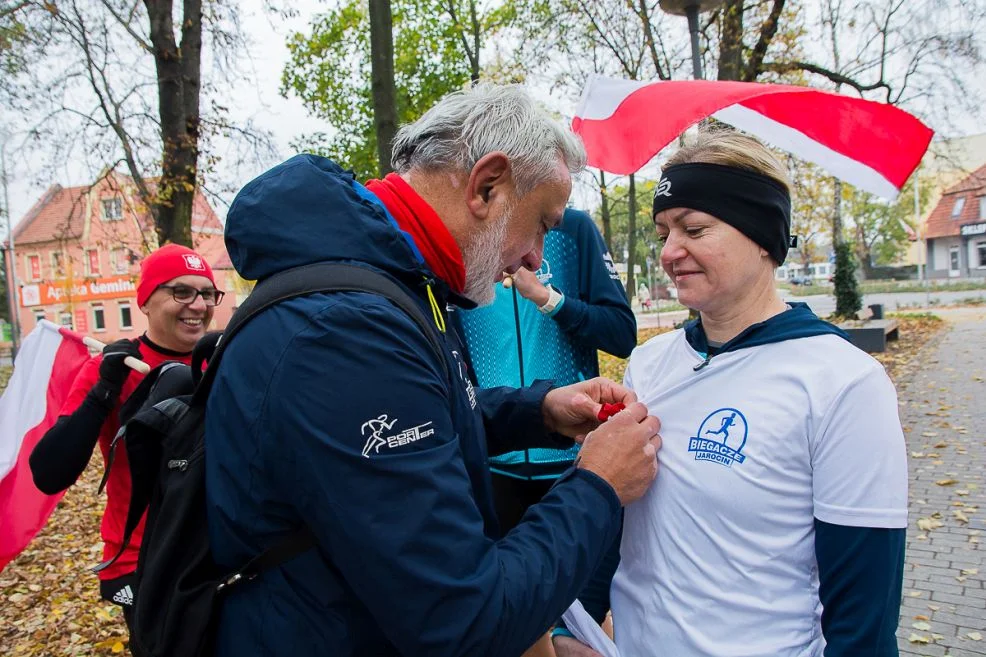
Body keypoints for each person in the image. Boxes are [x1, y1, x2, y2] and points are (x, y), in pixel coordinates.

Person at [204, 84, 663, 657]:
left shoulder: (401, 283)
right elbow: (462, 621)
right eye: (542, 224)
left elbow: (417, 424)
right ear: (487, 186)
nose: (535, 259)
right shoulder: (348, 329)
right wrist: (598, 485)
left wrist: (538, 412)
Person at [554, 130, 907, 657]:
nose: (671, 252)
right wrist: (572, 624)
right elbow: (618, 513)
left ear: (762, 234)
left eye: (695, 229)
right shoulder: (652, 362)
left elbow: (865, 617)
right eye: (664, 232)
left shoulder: (843, 383)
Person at [453, 207, 635, 655]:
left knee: (582, 628)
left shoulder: (571, 230)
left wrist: (548, 299)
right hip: (494, 464)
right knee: (509, 627)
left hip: (574, 461)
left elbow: (622, 333)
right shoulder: (466, 233)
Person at [30, 243, 222, 629]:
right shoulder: (110, 368)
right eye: (180, 291)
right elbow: (50, 472)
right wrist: (104, 391)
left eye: (206, 293)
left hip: (218, 549)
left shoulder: (223, 358)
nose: (198, 305)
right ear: (146, 301)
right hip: (141, 557)